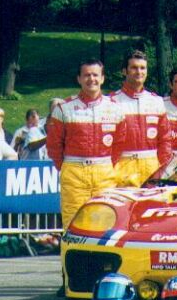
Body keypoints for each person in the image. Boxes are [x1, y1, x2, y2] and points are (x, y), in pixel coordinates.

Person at [46, 58, 126, 228]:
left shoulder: (116, 108)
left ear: (103, 78)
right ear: (79, 79)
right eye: (86, 75)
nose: (91, 79)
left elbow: (119, 144)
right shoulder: (64, 108)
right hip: (74, 173)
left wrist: (105, 165)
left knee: (105, 223)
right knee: (74, 224)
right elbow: (53, 145)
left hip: (104, 173)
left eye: (95, 75)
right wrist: (68, 167)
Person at [111, 50, 171, 186]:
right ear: (124, 71)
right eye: (134, 68)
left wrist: (163, 167)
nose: (139, 72)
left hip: (152, 166)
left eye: (142, 68)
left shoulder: (157, 101)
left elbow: (165, 139)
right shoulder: (112, 101)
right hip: (123, 166)